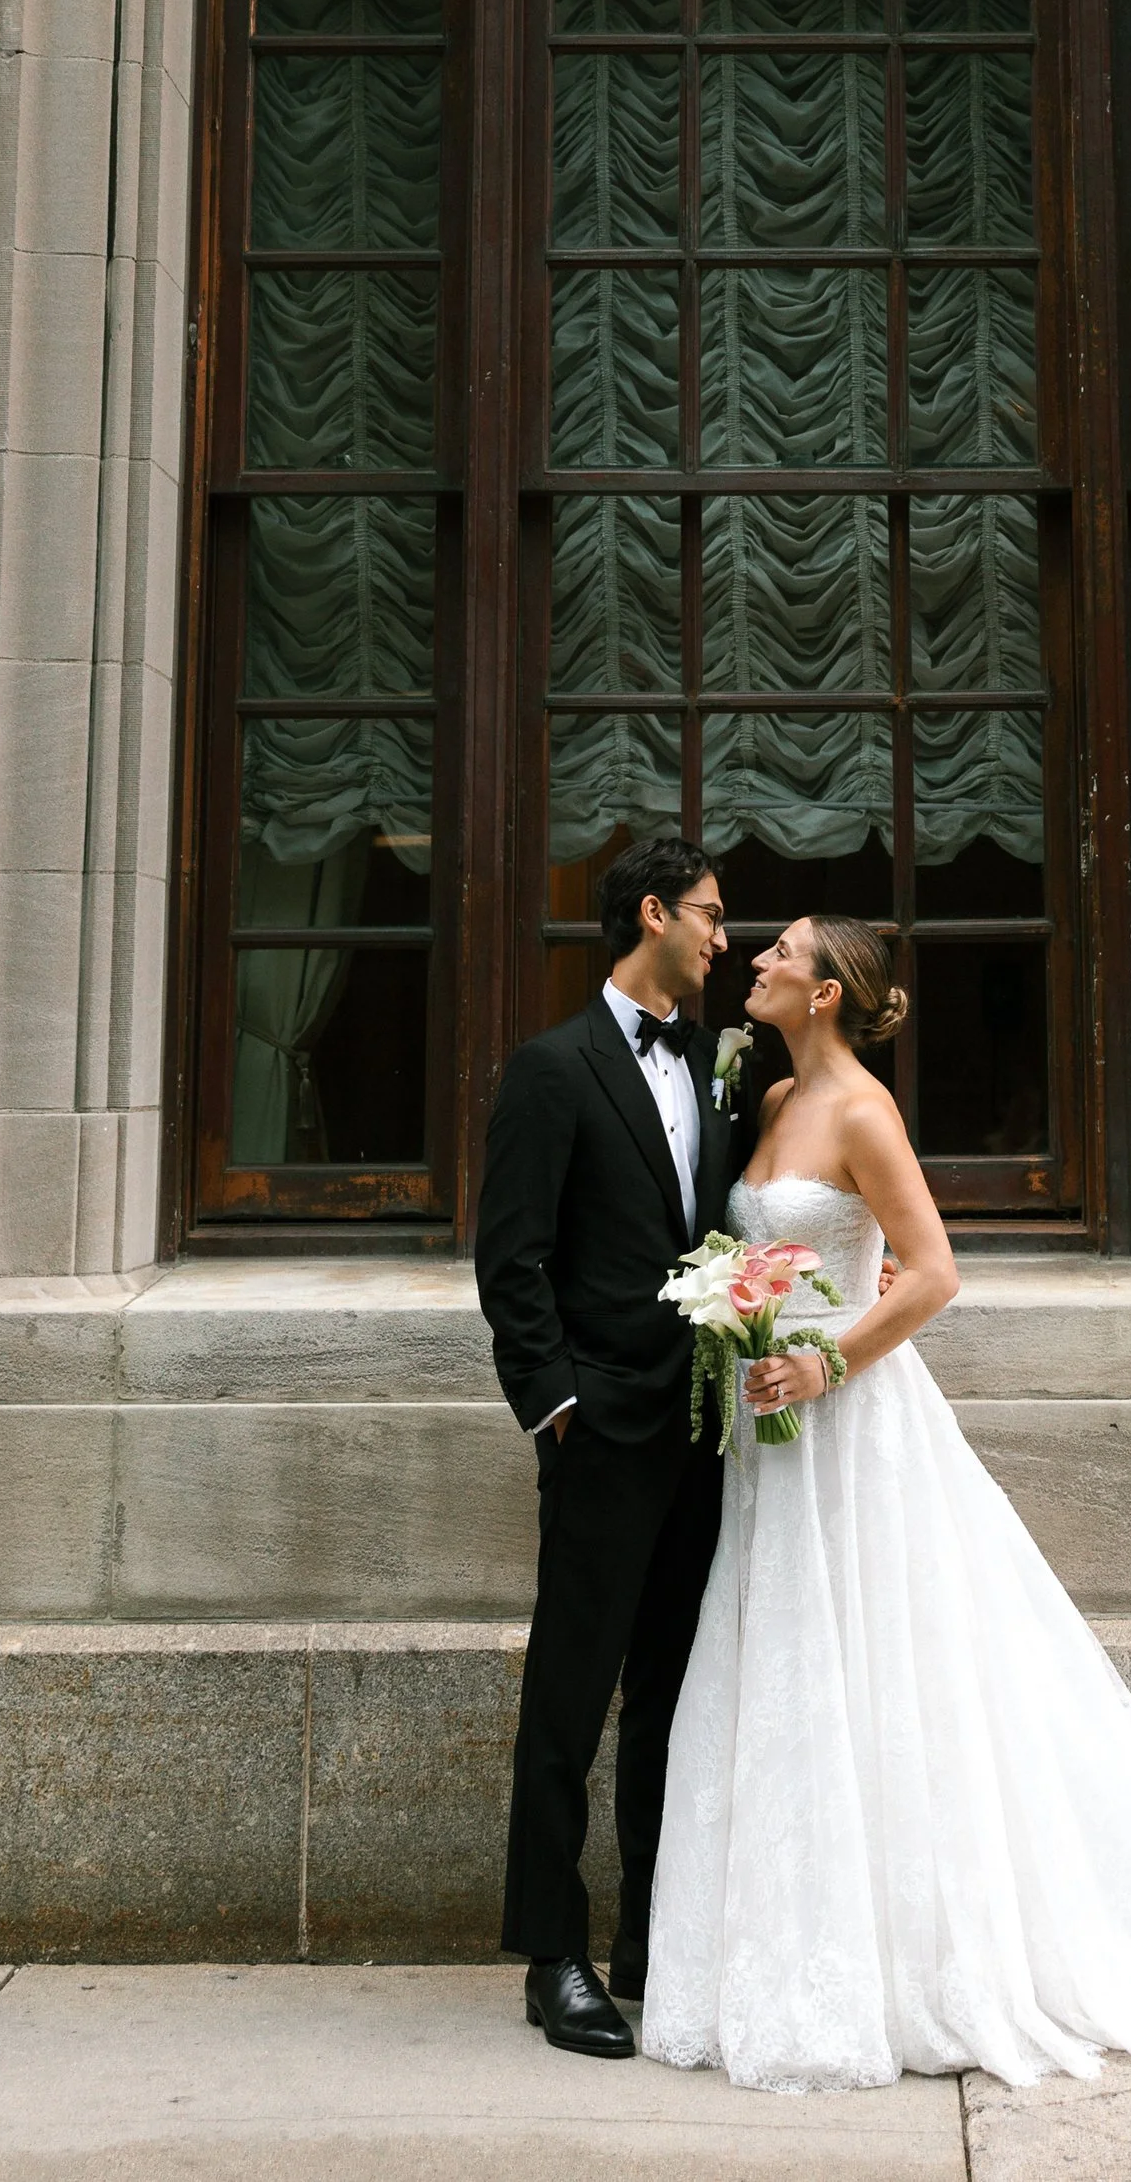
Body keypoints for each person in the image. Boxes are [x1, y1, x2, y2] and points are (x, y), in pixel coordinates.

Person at [641, 916, 1131, 2095]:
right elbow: (797, 1248)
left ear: (826, 993)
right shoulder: (771, 1096)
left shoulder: (864, 1114)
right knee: (790, 1664)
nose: (759, 963)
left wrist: (828, 1358)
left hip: (848, 1425)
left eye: (780, 953)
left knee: (886, 1665)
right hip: (769, 1436)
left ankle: (923, 1964)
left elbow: (934, 1271)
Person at [473, 836, 745, 2060]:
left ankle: (646, 1935)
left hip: (699, 1429)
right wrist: (555, 1404)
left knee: (671, 1697)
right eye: (709, 915)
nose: (721, 939)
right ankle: (552, 1954)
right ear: (651, 915)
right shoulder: (551, 1069)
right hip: (601, 1433)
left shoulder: (703, 1058)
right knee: (568, 1699)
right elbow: (511, 1258)